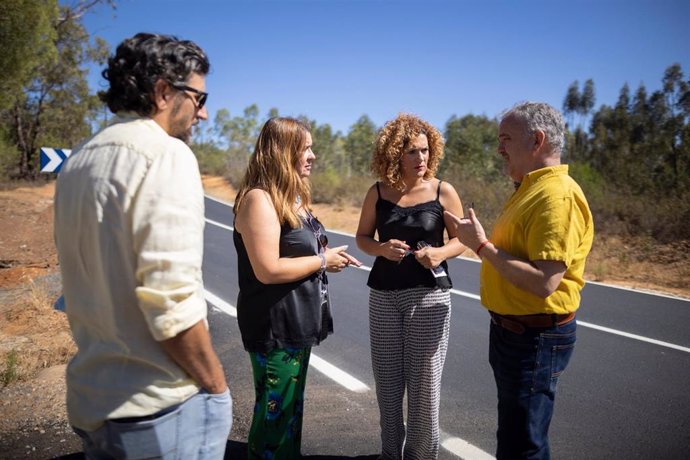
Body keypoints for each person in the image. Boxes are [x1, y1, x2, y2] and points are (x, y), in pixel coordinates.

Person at [54, 33, 232, 458]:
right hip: (161, 409)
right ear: (163, 92)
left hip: (92, 401)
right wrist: (216, 386)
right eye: (198, 97)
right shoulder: (166, 155)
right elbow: (171, 305)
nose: (203, 113)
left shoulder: (78, 159)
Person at [445, 101, 594, 459]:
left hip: (535, 339)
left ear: (537, 140)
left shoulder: (556, 196)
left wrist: (480, 245)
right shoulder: (530, 187)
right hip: (515, 334)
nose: (499, 149)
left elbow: (545, 282)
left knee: (524, 444)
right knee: (513, 436)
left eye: (506, 139)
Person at [233, 117, 361, 459]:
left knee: (289, 416)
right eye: (305, 148)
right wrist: (322, 262)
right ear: (282, 152)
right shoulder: (259, 200)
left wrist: (327, 255)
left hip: (296, 324)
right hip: (274, 326)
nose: (313, 155)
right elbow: (268, 269)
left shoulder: (291, 198)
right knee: (274, 420)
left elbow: (297, 251)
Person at [355, 113, 467, 460]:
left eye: (425, 150)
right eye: (412, 152)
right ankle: (390, 454)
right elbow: (362, 237)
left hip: (429, 298)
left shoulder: (442, 190)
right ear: (394, 155)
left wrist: (439, 253)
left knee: (424, 391)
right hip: (384, 296)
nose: (421, 159)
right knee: (388, 389)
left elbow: (463, 239)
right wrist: (381, 249)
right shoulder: (377, 192)